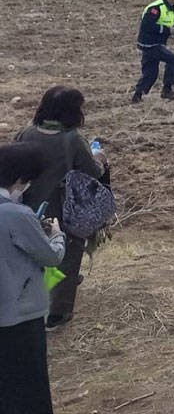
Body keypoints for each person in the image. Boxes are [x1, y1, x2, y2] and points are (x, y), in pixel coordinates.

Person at [14, 86, 107, 329]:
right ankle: (58, 313)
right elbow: (92, 172)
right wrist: (99, 157)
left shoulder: (26, 132)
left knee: (33, 253)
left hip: (27, 206)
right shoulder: (73, 139)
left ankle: (32, 297)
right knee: (68, 255)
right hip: (64, 209)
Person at [0, 142, 66, 414]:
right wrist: (56, 234)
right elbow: (51, 257)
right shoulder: (16, 214)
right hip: (19, 314)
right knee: (29, 386)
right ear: (19, 179)